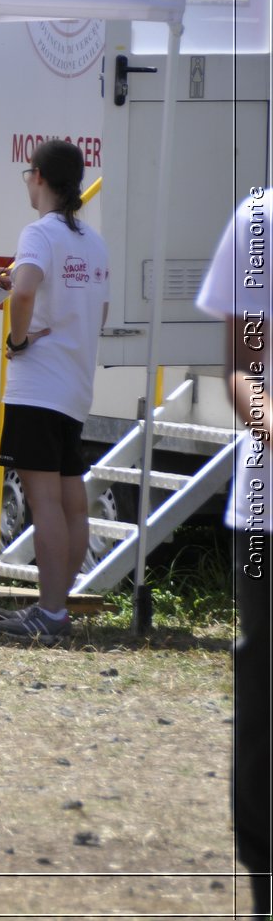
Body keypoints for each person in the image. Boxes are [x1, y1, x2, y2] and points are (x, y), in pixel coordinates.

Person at [0, 139, 110, 640]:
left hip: (38, 384)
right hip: (76, 384)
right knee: (71, 501)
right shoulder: (93, 240)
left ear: (37, 176)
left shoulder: (38, 233)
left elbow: (23, 290)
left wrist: (18, 339)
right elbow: (97, 312)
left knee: (44, 503)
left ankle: (51, 611)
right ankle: (59, 607)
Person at [197, 186, 272, 920]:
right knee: (266, 693)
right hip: (268, 514)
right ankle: (264, 887)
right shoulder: (262, 222)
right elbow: (244, 372)